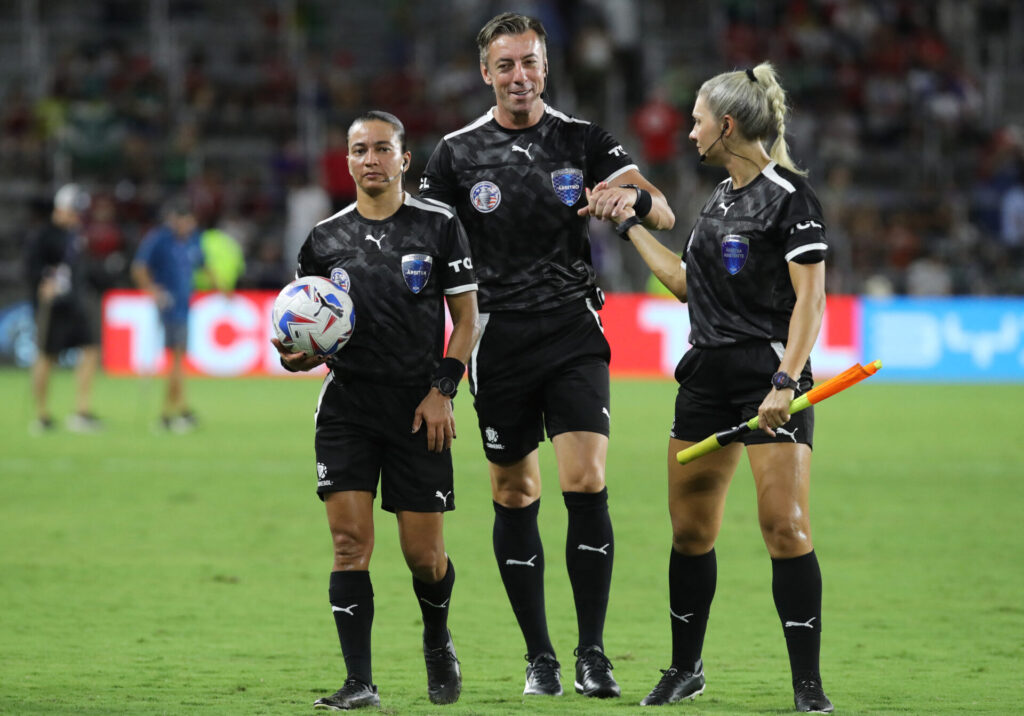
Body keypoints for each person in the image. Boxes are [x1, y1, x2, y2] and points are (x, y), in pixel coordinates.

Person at [419, 11, 675, 699]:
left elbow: (663, 209)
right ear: (485, 74)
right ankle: (541, 657)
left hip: (571, 329)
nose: (519, 76)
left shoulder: (582, 138)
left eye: (529, 62)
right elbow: (423, 246)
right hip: (497, 338)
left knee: (585, 478)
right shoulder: (455, 154)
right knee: (513, 491)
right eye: (505, 65)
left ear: (545, 66)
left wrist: (632, 199)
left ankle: (593, 653)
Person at [586, 62, 833, 712]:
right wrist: (629, 224)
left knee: (785, 527)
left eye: (695, 120)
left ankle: (807, 685)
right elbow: (686, 284)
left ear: (726, 125)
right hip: (704, 377)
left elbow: (812, 303)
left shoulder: (791, 198)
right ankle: (684, 669)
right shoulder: (718, 199)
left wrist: (784, 381)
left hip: (767, 379)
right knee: (691, 533)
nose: (688, 132)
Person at [273, 111, 480, 711]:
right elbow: (305, 337)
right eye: (360, 150)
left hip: (420, 411)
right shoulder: (322, 239)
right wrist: (295, 355)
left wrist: (443, 390)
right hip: (348, 410)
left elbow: (466, 320)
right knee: (348, 544)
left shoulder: (439, 227)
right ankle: (359, 682)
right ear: (347, 161)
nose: (371, 159)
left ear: (404, 159)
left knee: (425, 557)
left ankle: (437, 638)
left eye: (382, 149)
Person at [25, 183, 103, 433]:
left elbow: (80, 268)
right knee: (47, 357)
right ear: (60, 209)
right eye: (72, 212)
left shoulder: (75, 235)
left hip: (75, 303)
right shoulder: (42, 235)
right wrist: (42, 282)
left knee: (90, 351)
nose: (76, 217)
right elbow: (29, 269)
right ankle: (42, 413)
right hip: (52, 307)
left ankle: (82, 411)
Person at [131, 197, 209, 432]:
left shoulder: (192, 240)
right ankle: (168, 414)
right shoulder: (160, 239)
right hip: (171, 306)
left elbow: (201, 265)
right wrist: (153, 291)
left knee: (178, 360)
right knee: (176, 359)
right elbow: (139, 268)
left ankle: (181, 409)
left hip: (185, 306)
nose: (190, 226)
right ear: (175, 220)